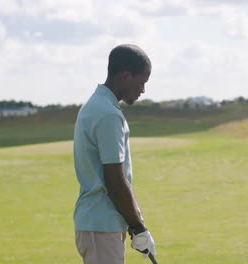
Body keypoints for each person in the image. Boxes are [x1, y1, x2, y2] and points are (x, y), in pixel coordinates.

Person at [73, 44, 156, 264]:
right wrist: (139, 228)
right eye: (141, 82)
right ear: (126, 76)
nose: (143, 90)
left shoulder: (96, 104)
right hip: (101, 224)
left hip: (100, 222)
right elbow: (116, 181)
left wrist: (133, 223)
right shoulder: (108, 114)